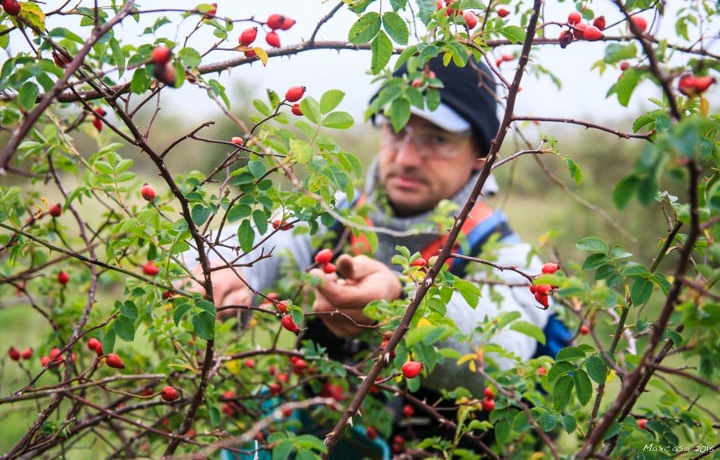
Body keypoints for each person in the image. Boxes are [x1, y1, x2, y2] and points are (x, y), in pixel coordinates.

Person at [192, 55, 561, 456]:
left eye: (437, 139)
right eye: (395, 128)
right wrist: (221, 267)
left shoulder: (504, 255)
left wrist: (403, 303)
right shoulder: (334, 215)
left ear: (481, 153)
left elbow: (505, 359)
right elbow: (267, 243)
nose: (405, 158)